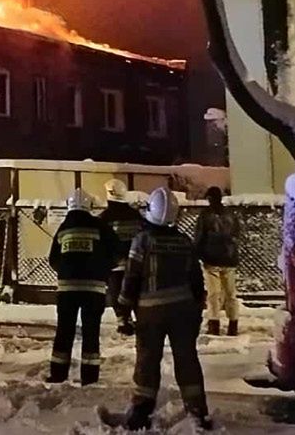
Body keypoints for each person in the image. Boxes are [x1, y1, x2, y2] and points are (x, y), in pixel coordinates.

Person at [109, 187, 212, 431]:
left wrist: (123, 311)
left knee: (147, 360)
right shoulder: (184, 242)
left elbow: (131, 278)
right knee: (187, 360)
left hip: (150, 314)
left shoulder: (142, 241)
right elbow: (196, 281)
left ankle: (141, 411)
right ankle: (197, 411)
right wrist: (197, 309)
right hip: (183, 312)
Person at [47, 188, 120, 385]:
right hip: (93, 290)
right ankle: (89, 377)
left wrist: (66, 271)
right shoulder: (100, 226)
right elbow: (117, 252)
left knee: (64, 331)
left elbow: (53, 259)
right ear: (89, 206)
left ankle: (58, 374)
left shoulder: (63, 228)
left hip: (67, 289)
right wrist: (103, 270)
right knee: (91, 333)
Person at [196, 187, 241, 336]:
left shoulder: (205, 215)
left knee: (213, 294)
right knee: (230, 294)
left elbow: (199, 236)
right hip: (229, 258)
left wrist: (198, 254)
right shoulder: (230, 214)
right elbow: (236, 234)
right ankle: (233, 324)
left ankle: (214, 324)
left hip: (211, 259)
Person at [97, 179, 145, 323]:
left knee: (117, 296)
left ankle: (123, 320)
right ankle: (142, 322)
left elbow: (101, 243)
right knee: (137, 295)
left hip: (115, 266)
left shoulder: (104, 218)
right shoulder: (136, 215)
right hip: (136, 264)